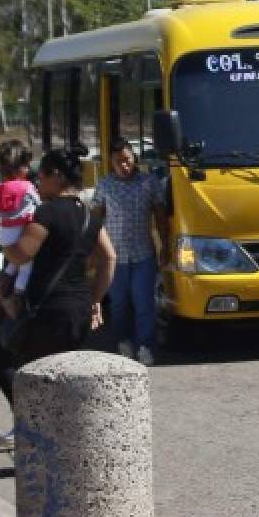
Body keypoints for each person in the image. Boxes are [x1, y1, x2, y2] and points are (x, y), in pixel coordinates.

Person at [0, 148, 116, 433]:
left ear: (56, 177)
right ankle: (60, 439)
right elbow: (109, 258)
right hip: (79, 311)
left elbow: (21, 254)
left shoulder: (47, 213)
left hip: (46, 311)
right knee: (60, 377)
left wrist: (1, 238)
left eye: (42, 177)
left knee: (3, 358)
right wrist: (95, 300)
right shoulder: (89, 217)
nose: (37, 183)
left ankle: (33, 436)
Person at [91, 137, 169, 366]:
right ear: (111, 163)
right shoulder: (105, 185)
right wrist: (94, 253)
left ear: (134, 158)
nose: (124, 166)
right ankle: (123, 342)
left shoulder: (149, 182)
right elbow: (96, 219)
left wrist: (164, 246)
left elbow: (160, 216)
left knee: (144, 303)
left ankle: (145, 346)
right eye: (118, 162)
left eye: (127, 160)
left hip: (143, 254)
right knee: (119, 304)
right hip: (115, 258)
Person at [0, 140, 41, 317]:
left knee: (13, 263)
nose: (29, 169)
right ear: (19, 168)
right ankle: (17, 295)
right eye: (26, 165)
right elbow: (39, 207)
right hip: (21, 235)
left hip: (4, 235)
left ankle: (2, 282)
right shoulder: (28, 187)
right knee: (26, 266)